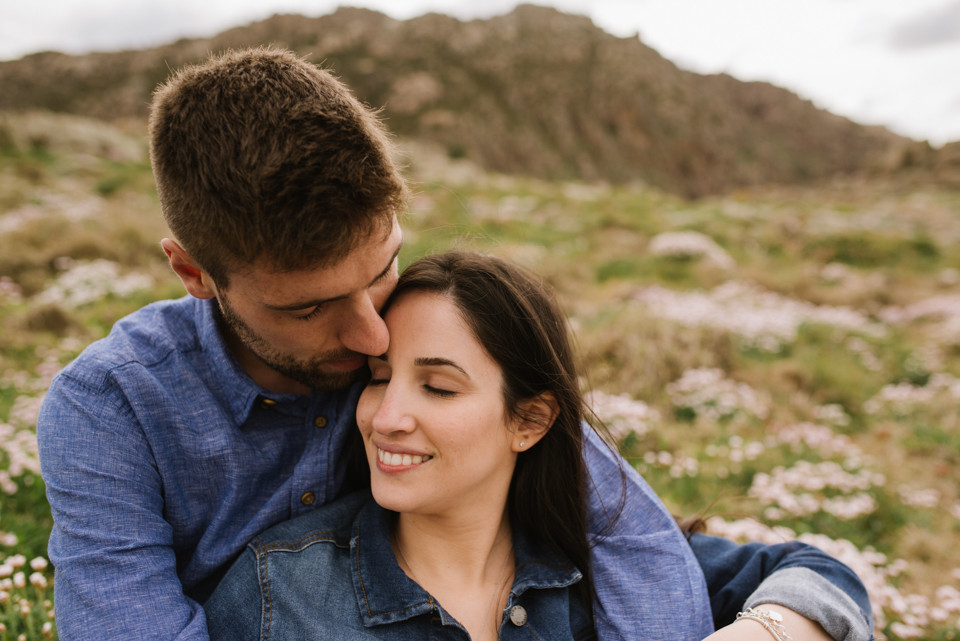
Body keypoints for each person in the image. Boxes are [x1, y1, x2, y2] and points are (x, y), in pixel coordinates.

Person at [36, 47, 872, 640]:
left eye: (383, 270)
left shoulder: (435, 352)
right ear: (194, 273)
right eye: (315, 307)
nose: (370, 336)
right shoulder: (113, 407)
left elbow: (633, 535)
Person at [203, 251, 873, 641]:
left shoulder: (613, 564)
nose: (387, 416)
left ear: (530, 420)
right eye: (379, 380)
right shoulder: (275, 592)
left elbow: (824, 577)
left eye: (438, 387)